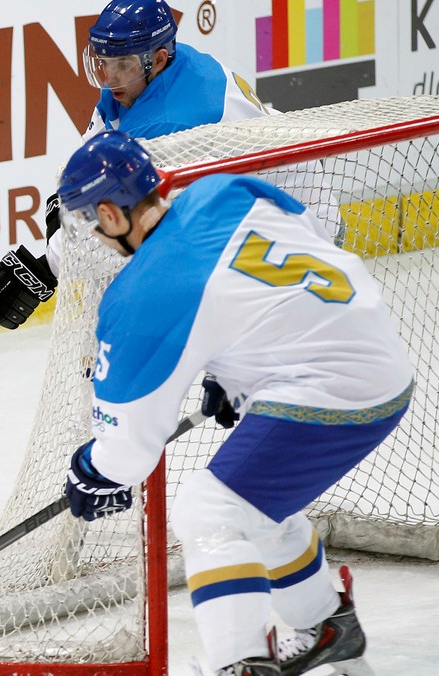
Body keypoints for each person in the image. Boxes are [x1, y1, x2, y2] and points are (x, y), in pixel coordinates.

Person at [49, 130, 412, 675]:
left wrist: (91, 471)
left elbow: (127, 454)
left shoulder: (144, 293)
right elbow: (307, 243)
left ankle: (239, 664)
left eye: (89, 222)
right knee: (253, 503)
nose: (94, 236)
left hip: (332, 387)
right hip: (376, 351)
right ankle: (328, 627)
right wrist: (237, 366)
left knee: (209, 508)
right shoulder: (221, 190)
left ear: (112, 213)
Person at [0, 0, 273, 331]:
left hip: (278, 226)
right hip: (239, 209)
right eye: (104, 62)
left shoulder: (167, 123)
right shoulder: (148, 75)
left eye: (122, 64)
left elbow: (111, 213)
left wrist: (39, 271)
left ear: (157, 60)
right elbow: (97, 149)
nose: (110, 77)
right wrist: (66, 201)